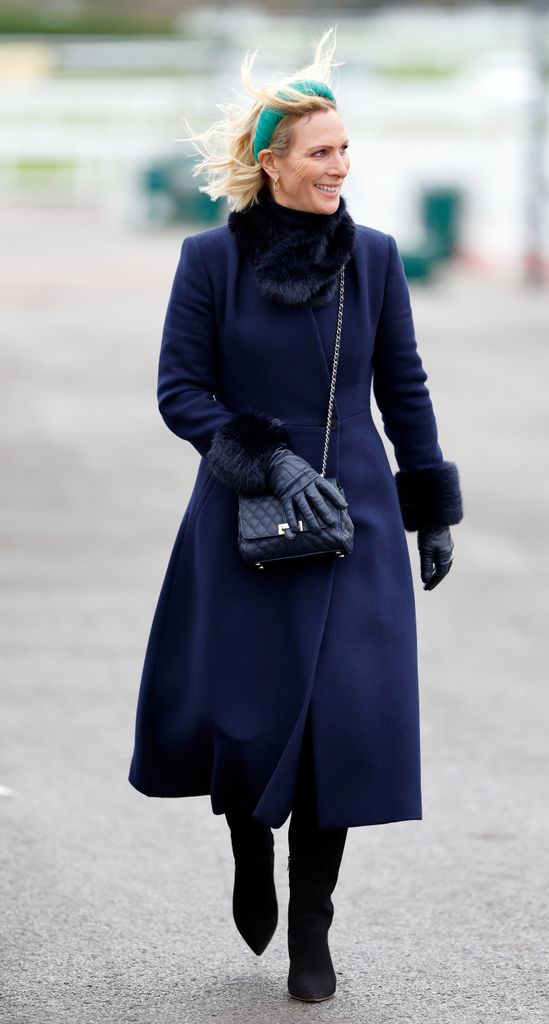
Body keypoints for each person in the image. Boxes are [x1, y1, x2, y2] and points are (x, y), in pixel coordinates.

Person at [128, 27, 463, 1003]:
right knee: (247, 716)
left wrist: (428, 504)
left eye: (346, 149)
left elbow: (404, 387)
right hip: (243, 516)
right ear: (270, 163)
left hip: (355, 517)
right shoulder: (207, 261)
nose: (340, 166)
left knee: (340, 723)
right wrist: (266, 459)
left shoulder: (377, 258)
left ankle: (312, 926)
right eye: (321, 152)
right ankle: (248, 846)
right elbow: (180, 391)